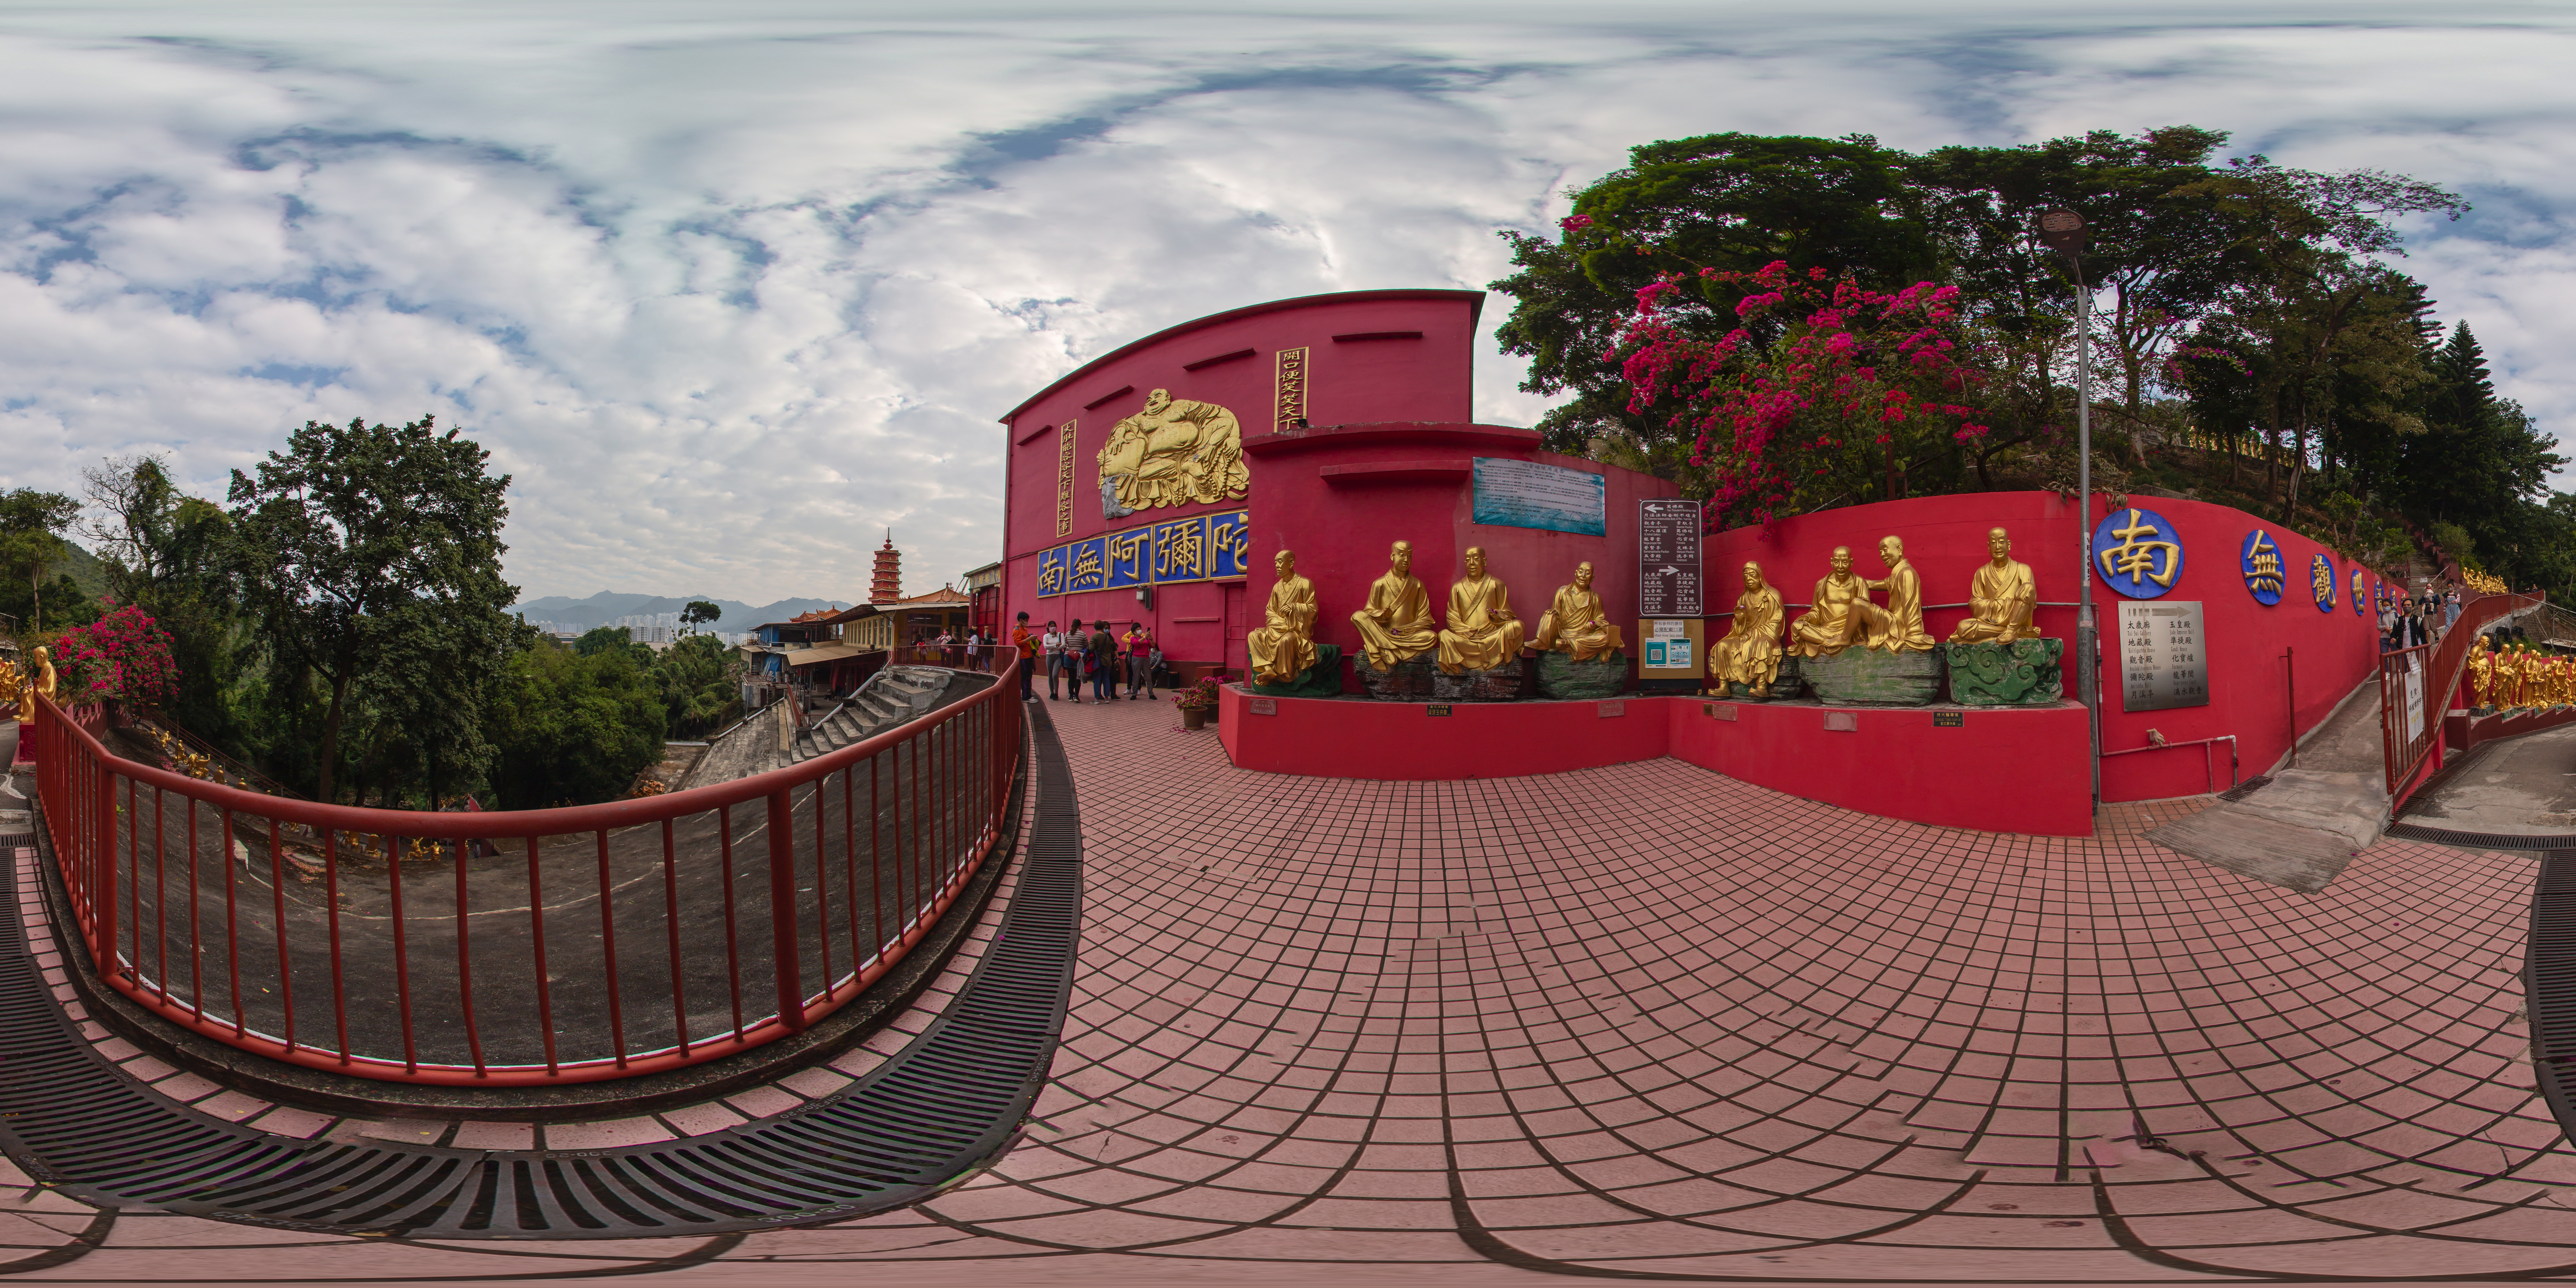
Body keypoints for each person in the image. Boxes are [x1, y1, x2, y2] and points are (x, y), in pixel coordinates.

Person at [1089, 619, 1118, 702]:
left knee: (1097, 679)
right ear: (1103, 628)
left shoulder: (1094, 637)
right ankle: (1107, 698)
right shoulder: (1107, 637)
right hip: (1108, 661)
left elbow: (1091, 649)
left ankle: (1097, 699)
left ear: (1095, 628)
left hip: (1098, 661)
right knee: (1106, 679)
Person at [1012, 612, 1037, 701]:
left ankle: (1028, 693)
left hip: (1029, 656)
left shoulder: (1024, 629)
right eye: (1026, 620)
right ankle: (1026, 697)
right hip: (1024, 657)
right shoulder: (1017, 630)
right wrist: (1029, 639)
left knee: (1029, 677)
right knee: (1026, 677)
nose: (1028, 622)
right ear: (1021, 620)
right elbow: (1018, 643)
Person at [1041, 621, 1068, 699]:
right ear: (1049, 628)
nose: (1053, 628)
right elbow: (1046, 647)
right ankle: (1052, 693)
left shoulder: (1060, 635)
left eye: (1054, 626)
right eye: (1051, 626)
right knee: (1050, 675)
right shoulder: (1046, 636)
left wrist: (1052, 647)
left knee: (1055, 675)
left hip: (1058, 657)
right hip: (1049, 657)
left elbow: (1064, 645)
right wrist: (1057, 645)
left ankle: (1056, 693)